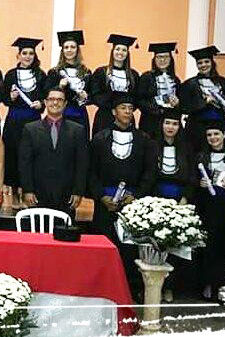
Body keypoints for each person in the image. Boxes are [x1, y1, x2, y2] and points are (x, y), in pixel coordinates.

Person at [88, 93, 156, 297]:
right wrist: (101, 196)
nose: (127, 112)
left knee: (130, 247)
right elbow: (91, 171)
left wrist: (136, 195)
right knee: (104, 244)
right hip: (105, 202)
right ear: (113, 111)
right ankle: (101, 287)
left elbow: (149, 171)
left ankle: (130, 289)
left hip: (132, 203)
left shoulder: (143, 140)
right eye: (123, 108)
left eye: (130, 108)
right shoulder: (100, 139)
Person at [193, 119, 225, 301]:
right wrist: (200, 183)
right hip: (208, 207)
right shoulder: (200, 157)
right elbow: (192, 181)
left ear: (224, 134)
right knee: (210, 244)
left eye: (216, 134)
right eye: (209, 135)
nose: (213, 138)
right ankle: (208, 283)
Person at [18, 87, 88, 216]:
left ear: (65, 103)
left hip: (67, 195)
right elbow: (25, 163)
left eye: (60, 100)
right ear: (45, 102)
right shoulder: (30, 129)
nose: (55, 103)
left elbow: (81, 164)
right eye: (51, 99)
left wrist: (78, 191)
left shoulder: (77, 130)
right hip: (37, 194)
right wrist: (27, 190)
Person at [152, 108, 195, 303]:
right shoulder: (152, 145)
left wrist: (185, 198)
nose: (171, 127)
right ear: (161, 125)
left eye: (175, 124)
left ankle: (170, 287)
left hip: (179, 200)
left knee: (176, 246)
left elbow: (192, 176)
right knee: (156, 245)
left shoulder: (186, 148)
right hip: (157, 198)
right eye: (167, 123)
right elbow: (148, 174)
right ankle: (155, 286)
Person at [2, 37, 46, 206]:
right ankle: (14, 194)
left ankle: (27, 193)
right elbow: (5, 99)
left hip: (33, 122)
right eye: (24, 53)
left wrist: (41, 104)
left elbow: (45, 97)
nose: (28, 56)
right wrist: (11, 97)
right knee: (13, 155)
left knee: (30, 156)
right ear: (18, 55)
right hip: (14, 121)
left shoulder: (40, 75)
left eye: (31, 53)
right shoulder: (11, 75)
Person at [180, 45, 225, 153]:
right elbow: (184, 108)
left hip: (219, 126)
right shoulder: (189, 84)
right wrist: (204, 102)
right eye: (200, 63)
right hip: (197, 129)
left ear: (212, 63)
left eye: (206, 62)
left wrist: (221, 102)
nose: (203, 65)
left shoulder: (222, 82)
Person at [44, 30, 92, 140]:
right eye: (66, 47)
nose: (69, 50)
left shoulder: (86, 72)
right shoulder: (54, 73)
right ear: (62, 51)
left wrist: (86, 97)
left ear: (77, 50)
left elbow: (92, 95)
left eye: (72, 47)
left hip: (80, 115)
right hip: (60, 115)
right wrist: (59, 87)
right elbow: (46, 94)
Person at [90, 34, 140, 137]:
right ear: (112, 51)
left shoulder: (133, 75)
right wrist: (113, 105)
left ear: (127, 53)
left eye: (124, 50)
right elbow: (95, 95)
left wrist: (124, 109)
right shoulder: (101, 72)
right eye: (117, 49)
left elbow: (137, 97)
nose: (120, 52)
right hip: (104, 117)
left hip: (126, 118)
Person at [136, 42, 182, 138]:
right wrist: (156, 109)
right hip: (150, 122)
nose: (162, 60)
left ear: (171, 59)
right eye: (159, 57)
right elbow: (139, 100)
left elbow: (180, 101)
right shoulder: (146, 77)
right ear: (154, 59)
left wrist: (177, 103)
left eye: (166, 57)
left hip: (170, 123)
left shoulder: (176, 79)